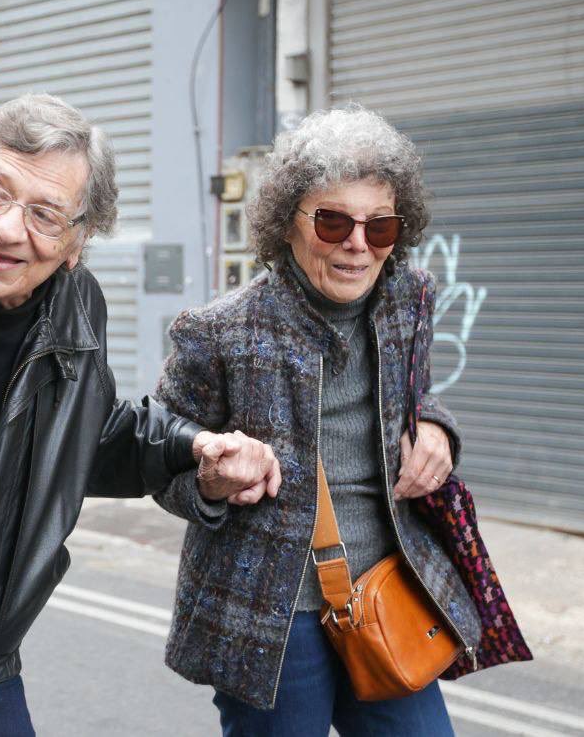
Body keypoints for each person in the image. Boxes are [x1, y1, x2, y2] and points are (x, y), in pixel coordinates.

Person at [0, 93, 282, 734]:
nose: (8, 229)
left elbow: (83, 438)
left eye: (44, 214)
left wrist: (190, 446)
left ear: (78, 242)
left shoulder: (75, 304)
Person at [152, 105, 482, 735]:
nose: (358, 244)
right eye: (333, 221)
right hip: (270, 617)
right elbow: (160, 457)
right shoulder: (219, 331)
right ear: (289, 224)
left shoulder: (409, 300)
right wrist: (210, 481)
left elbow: (416, 397)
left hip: (388, 593)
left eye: (379, 226)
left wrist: (438, 430)